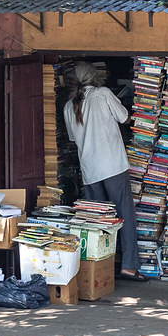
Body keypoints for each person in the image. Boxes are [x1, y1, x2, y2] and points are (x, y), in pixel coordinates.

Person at [63, 61, 148, 282]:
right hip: (112, 165)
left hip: (90, 171)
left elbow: (73, 138)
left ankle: (101, 269)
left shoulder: (69, 106)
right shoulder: (102, 94)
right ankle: (128, 266)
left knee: (97, 222)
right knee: (124, 215)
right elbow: (125, 118)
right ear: (94, 77)